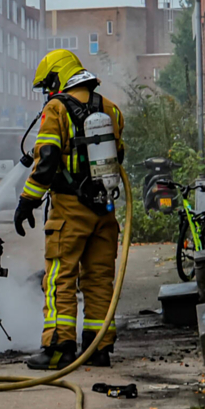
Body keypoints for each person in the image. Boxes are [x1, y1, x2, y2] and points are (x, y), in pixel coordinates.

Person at [14, 50, 125, 371]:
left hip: (69, 209)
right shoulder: (111, 109)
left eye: (48, 85)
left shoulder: (56, 109)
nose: (48, 93)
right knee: (99, 278)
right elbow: (118, 155)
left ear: (58, 79)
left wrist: (27, 201)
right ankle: (98, 348)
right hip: (104, 209)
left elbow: (46, 159)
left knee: (60, 277)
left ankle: (58, 348)